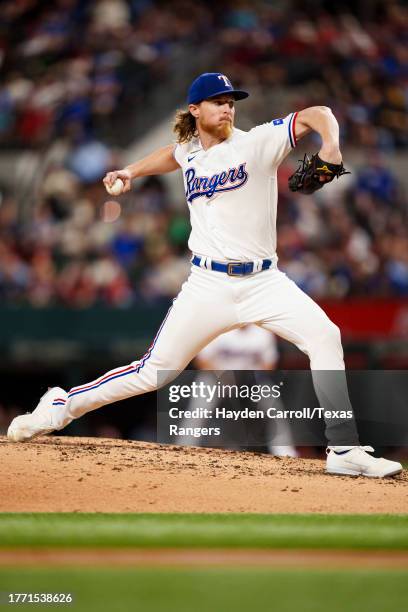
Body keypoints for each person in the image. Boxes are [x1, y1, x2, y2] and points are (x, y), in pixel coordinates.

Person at [8, 72, 402, 478]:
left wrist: (332, 146)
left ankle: (343, 448)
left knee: (326, 336)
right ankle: (60, 406)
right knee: (151, 372)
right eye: (218, 101)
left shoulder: (257, 142)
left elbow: (318, 114)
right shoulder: (190, 152)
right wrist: (131, 170)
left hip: (264, 281)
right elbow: (173, 153)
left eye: (231, 101)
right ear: (195, 110)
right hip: (208, 285)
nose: (228, 107)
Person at [179, 325, 298, 457]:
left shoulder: (262, 331)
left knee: (273, 408)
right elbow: (202, 360)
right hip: (217, 377)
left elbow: (270, 364)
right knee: (198, 410)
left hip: (250, 379)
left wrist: (250, 375)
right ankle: (184, 447)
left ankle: (285, 452)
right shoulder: (218, 326)